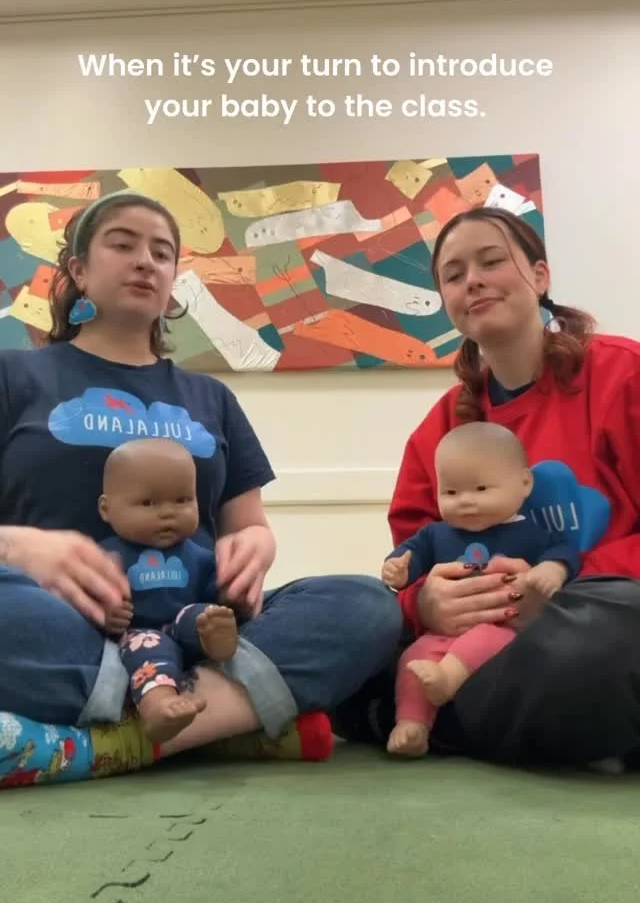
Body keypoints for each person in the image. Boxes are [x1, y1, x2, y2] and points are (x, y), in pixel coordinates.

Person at [0, 188, 402, 785]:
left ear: (172, 283)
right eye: (123, 244)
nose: (145, 261)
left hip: (198, 636)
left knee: (368, 604)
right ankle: (225, 722)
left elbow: (249, 527)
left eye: (162, 253)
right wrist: (17, 547)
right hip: (65, 634)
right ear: (78, 271)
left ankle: (110, 741)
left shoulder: (211, 397)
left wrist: (256, 547)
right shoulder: (14, 374)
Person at [334, 205, 640, 768]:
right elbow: (413, 555)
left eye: (492, 261)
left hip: (595, 617)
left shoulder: (624, 374)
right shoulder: (442, 429)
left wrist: (559, 585)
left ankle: (425, 720)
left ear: (540, 276)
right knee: (348, 618)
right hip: (481, 644)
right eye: (453, 275)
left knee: (614, 630)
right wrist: (425, 604)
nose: (472, 280)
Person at [382, 421, 580, 757]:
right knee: (413, 658)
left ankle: (446, 681)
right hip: (443, 632)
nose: (466, 502)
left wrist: (552, 569)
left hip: (502, 630)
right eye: (451, 492)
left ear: (524, 483)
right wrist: (397, 569)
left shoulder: (531, 532)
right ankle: (412, 724)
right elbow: (409, 558)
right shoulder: (435, 534)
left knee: (485, 640)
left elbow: (564, 552)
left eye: (481, 489)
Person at [99, 437, 243, 744]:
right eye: (149, 503)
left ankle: (217, 642)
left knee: (204, 615)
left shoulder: (200, 556)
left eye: (182, 500)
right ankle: (159, 705)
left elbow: (217, 590)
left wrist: (231, 593)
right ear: (106, 509)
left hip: (186, 627)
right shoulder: (104, 558)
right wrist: (106, 615)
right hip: (139, 634)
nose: (168, 513)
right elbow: (85, 602)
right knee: (147, 646)